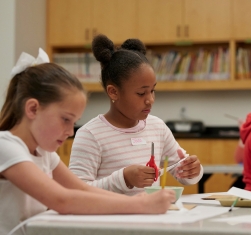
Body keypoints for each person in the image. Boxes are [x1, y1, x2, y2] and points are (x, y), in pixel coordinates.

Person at [0, 49, 176, 235]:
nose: (69, 132)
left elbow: (82, 189)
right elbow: (62, 200)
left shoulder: (44, 153)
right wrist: (140, 204)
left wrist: (139, 201)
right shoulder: (6, 146)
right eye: (65, 120)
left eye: (73, 123)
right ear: (33, 109)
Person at [69, 35, 203, 195]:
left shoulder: (157, 127)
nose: (150, 100)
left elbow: (182, 172)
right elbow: (77, 192)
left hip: (150, 216)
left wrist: (192, 171)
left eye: (152, 90)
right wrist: (124, 179)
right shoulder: (90, 134)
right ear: (113, 92)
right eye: (141, 93)